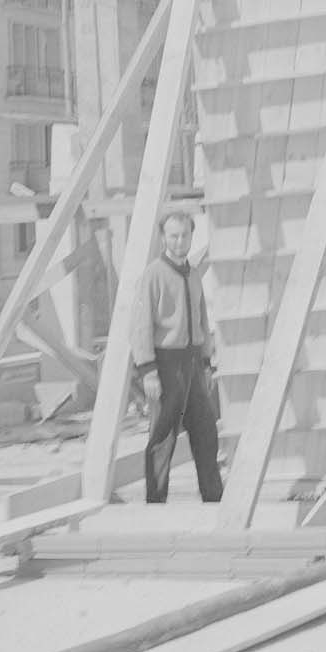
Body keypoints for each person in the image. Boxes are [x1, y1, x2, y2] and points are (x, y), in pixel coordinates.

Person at [130, 212, 223, 503]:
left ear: (191, 236)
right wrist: (148, 371)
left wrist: (206, 362)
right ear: (164, 237)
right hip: (166, 363)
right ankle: (155, 502)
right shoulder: (153, 274)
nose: (179, 241)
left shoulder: (192, 274)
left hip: (193, 362)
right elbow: (141, 324)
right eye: (173, 235)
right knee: (163, 436)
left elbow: (202, 322)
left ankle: (214, 498)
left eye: (184, 235)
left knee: (206, 431)